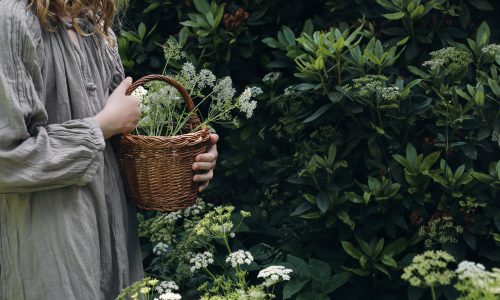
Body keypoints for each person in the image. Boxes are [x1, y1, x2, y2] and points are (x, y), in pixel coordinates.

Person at [0, 0, 219, 298]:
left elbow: (119, 138)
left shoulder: (94, 26)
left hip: (115, 244)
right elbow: (7, 158)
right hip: (51, 255)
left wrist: (185, 158)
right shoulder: (10, 19)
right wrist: (100, 126)